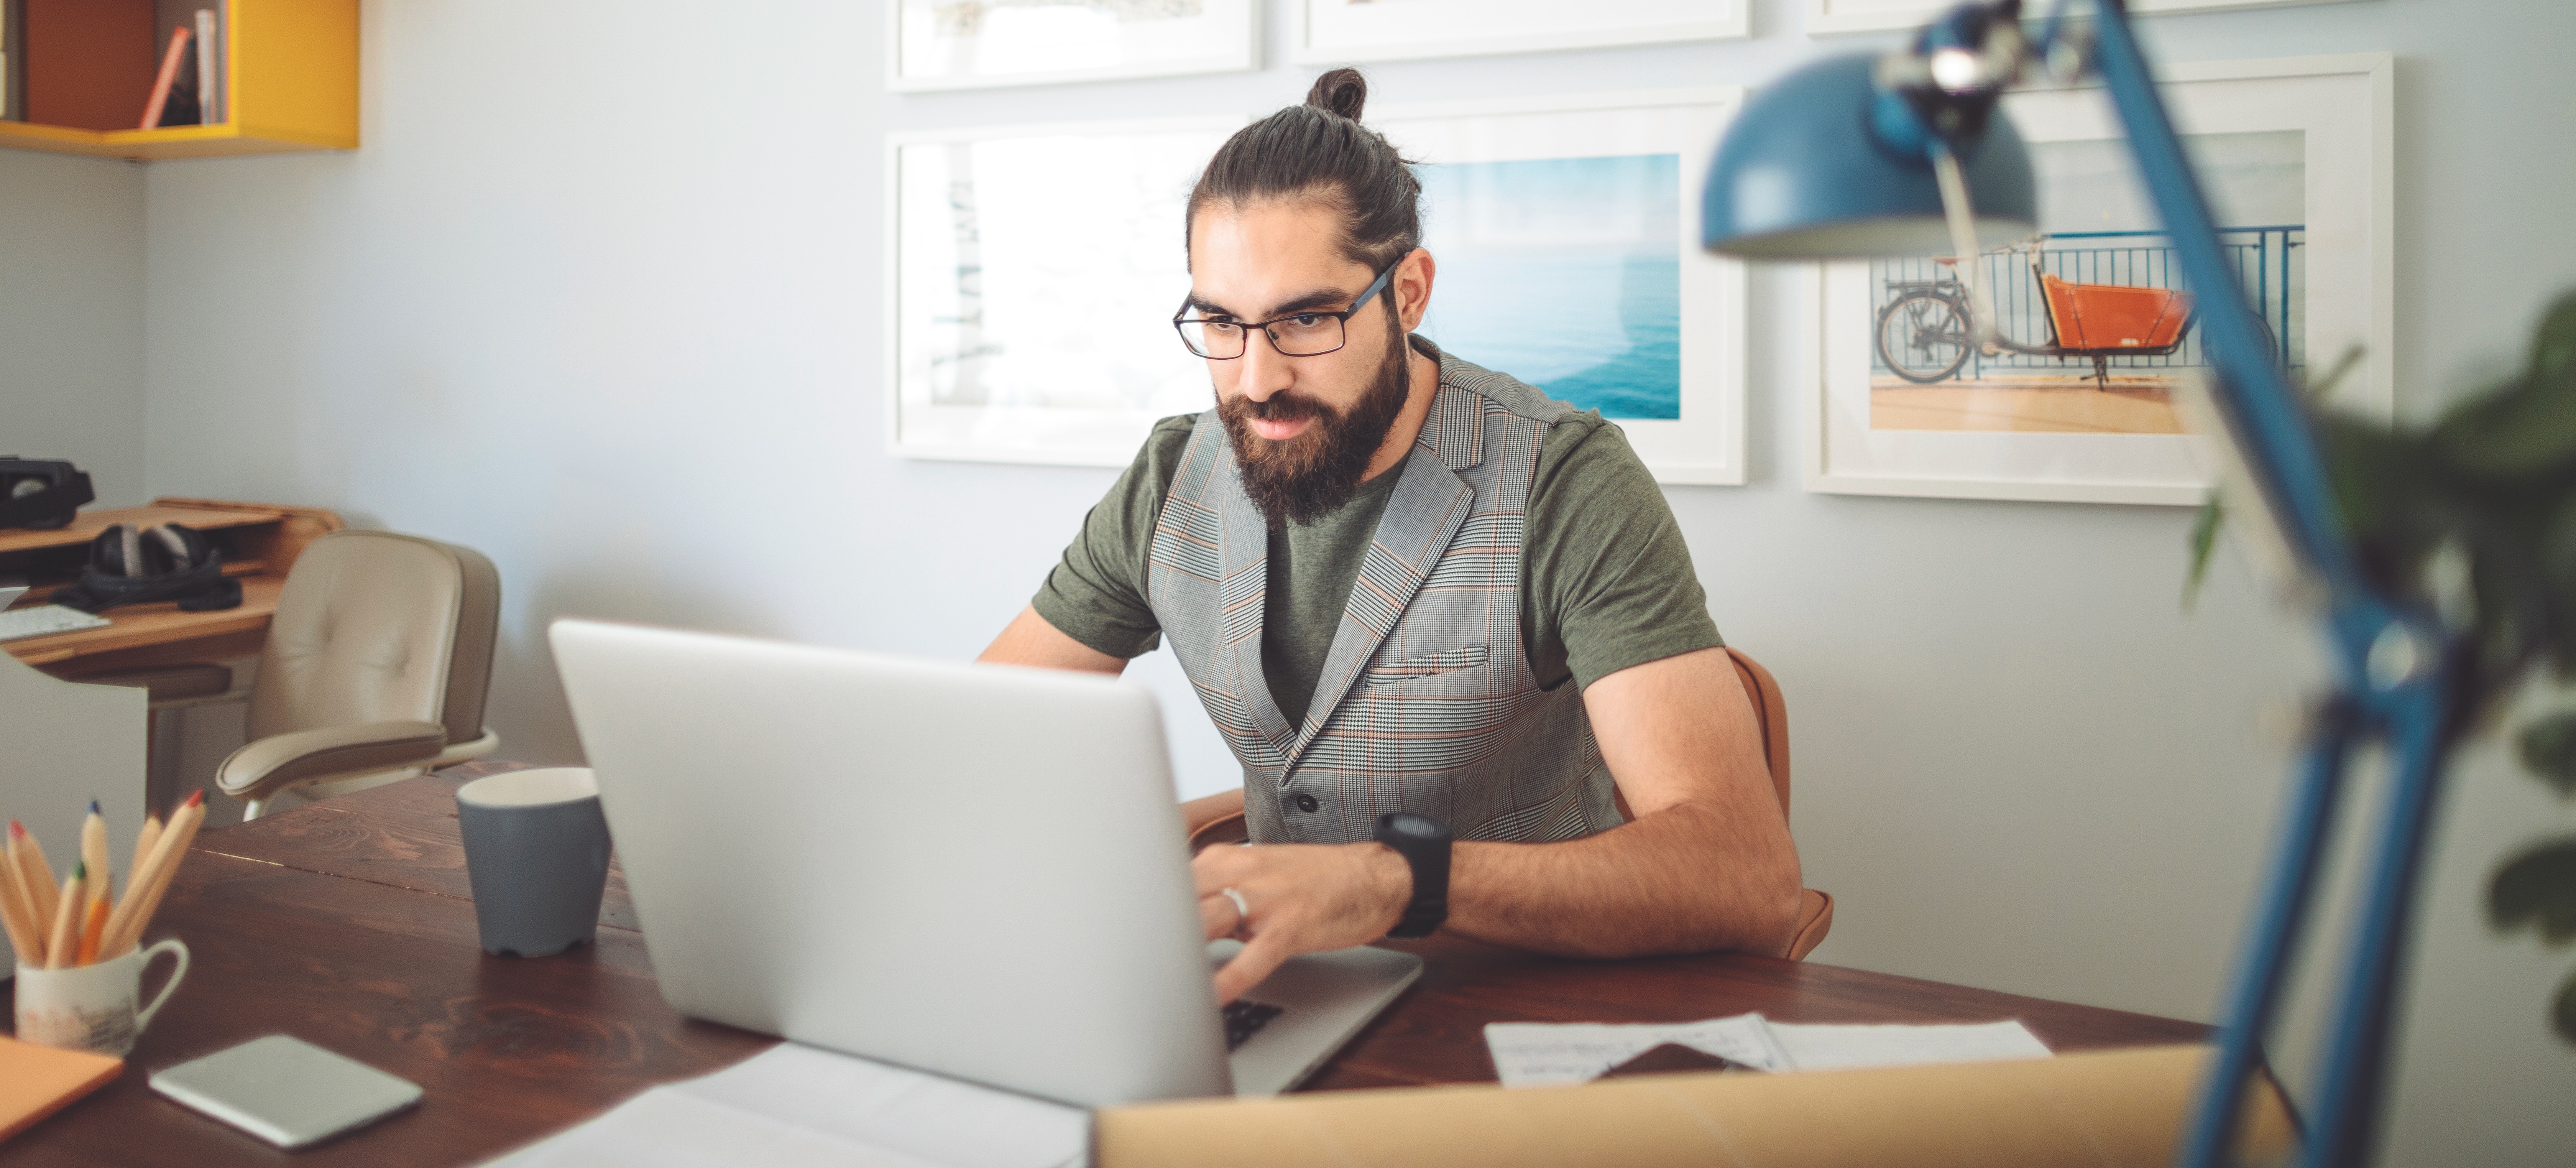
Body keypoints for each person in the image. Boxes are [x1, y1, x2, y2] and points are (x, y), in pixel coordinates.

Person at [981, 69, 1801, 1003]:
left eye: (1307, 318)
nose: (1255, 378)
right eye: (1220, 321)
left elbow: (1746, 874)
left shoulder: (1568, 481)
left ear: (1408, 292)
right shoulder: (1173, 478)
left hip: (1524, 997)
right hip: (1282, 991)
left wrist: (1393, 879)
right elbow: (974, 738)